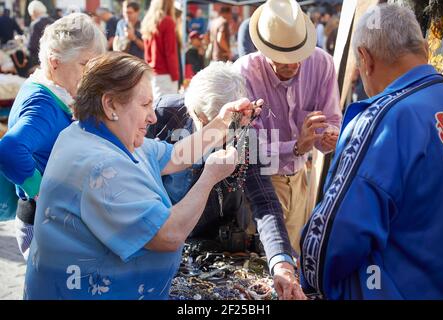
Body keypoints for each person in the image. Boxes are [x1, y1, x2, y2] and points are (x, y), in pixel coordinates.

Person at [23, 51, 260, 299]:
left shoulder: (98, 135)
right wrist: (210, 176)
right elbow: (168, 235)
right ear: (110, 104)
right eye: (145, 104)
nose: (154, 116)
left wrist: (224, 121)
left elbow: (177, 155)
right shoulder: (100, 165)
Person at [300, 4, 443, 300]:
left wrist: (309, 277)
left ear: (365, 59)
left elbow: (332, 238)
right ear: (422, 47)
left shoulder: (382, 120)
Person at [148, 62, 306, 300]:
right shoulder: (162, 116)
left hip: (217, 244)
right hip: (159, 243)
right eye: (221, 126)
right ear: (200, 116)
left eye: (233, 125)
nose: (229, 133)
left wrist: (281, 262)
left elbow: (264, 203)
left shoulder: (243, 133)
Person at [234, 0, 342, 255]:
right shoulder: (245, 72)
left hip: (299, 181)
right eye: (282, 59)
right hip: (259, 182)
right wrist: (296, 147)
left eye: (297, 57)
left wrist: (327, 138)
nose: (292, 65)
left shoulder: (322, 64)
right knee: (262, 267)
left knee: (292, 259)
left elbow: (332, 120)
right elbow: (246, 145)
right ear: (263, 50)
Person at [0, 13, 107, 260]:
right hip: (43, 223)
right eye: (84, 64)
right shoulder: (42, 105)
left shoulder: (47, 88)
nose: (90, 74)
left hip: (47, 220)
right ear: (55, 60)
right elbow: (9, 150)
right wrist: (43, 193)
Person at [142, 0, 179, 100]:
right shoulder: (167, 21)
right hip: (166, 73)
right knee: (168, 109)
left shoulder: (148, 21)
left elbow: (147, 52)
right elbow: (170, 52)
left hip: (153, 72)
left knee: (156, 107)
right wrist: (175, 76)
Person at [27, 1, 54, 69]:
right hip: (53, 59)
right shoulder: (53, 22)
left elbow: (32, 46)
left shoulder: (35, 24)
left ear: (34, 12)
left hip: (39, 61)